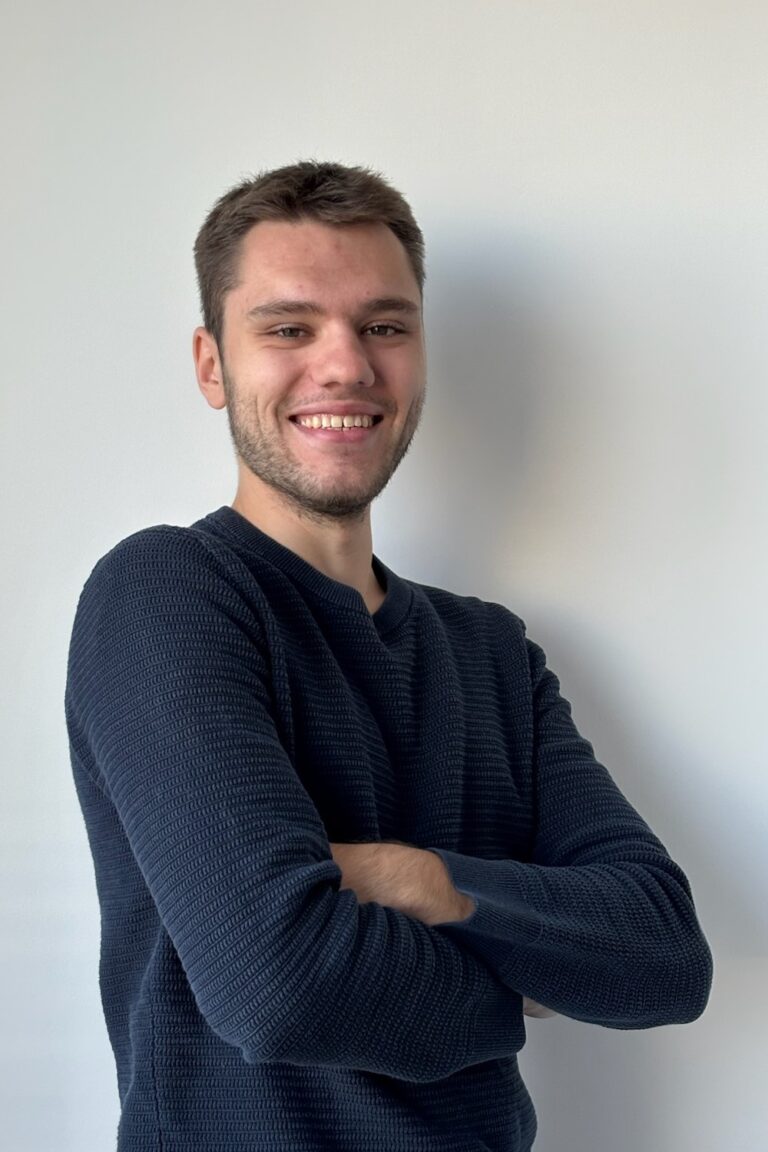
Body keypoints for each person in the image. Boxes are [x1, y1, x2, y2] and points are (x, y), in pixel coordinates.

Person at [64, 160, 713, 1152]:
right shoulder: (167, 594)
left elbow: (665, 957)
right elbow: (281, 987)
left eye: (384, 326)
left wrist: (423, 882)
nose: (345, 366)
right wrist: (519, 983)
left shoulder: (493, 652)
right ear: (211, 365)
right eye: (289, 328)